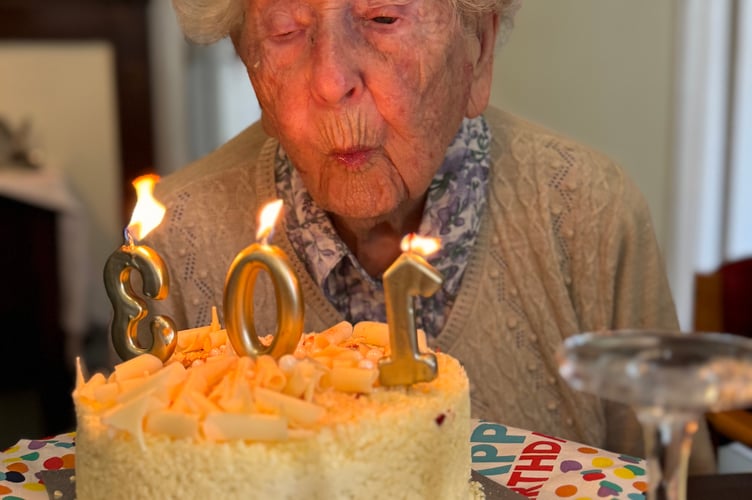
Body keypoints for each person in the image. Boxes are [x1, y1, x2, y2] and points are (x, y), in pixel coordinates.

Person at [146, 0, 715, 472]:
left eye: (382, 18)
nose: (330, 81)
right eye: (287, 31)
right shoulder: (176, 238)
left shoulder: (588, 213)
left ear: (480, 49)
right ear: (250, 68)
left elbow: (676, 477)